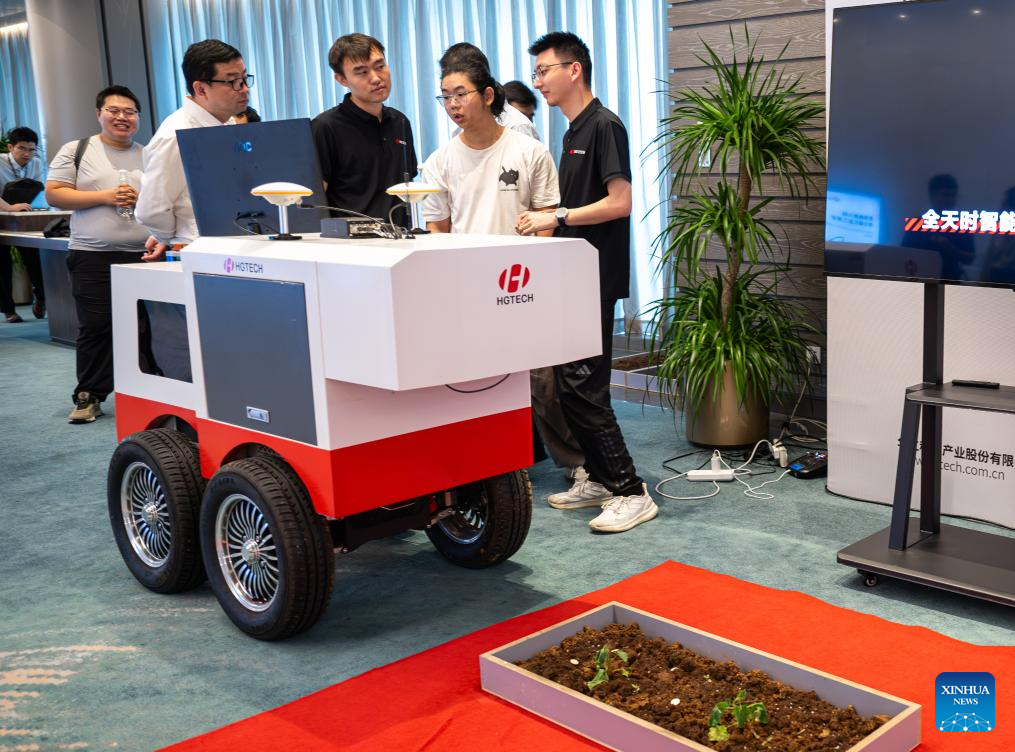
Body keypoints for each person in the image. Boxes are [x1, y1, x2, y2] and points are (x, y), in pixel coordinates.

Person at [517, 31, 658, 533]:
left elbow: (620, 202)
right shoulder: (572, 130)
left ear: (573, 69)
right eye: (535, 73)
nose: (538, 82)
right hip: (573, 273)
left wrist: (557, 216)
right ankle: (598, 478)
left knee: (584, 384)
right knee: (570, 383)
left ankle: (630, 490)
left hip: (595, 274)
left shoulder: (604, 126)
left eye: (544, 70)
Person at [45, 86, 149, 424]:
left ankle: (149, 395)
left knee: (147, 327)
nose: (122, 117)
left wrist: (142, 202)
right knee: (96, 326)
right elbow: (54, 194)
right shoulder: (77, 150)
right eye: (113, 111)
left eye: (129, 112)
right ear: (99, 114)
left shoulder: (149, 154)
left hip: (144, 255)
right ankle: (89, 395)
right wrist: (106, 196)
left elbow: (163, 200)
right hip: (92, 254)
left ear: (138, 117)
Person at [135, 39, 250, 261]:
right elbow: (151, 210)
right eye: (233, 82)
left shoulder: (227, 124)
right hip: (197, 250)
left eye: (244, 78)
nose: (244, 88)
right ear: (201, 89)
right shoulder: (176, 135)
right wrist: (175, 236)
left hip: (235, 245)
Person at [311, 33, 417, 228]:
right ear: (342, 79)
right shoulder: (325, 127)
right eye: (362, 72)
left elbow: (407, 189)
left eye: (380, 66)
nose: (376, 78)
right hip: (350, 242)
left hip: (400, 237)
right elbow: (314, 203)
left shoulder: (400, 122)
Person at [440, 44, 540, 142]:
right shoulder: (458, 133)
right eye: (446, 96)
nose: (453, 104)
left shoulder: (518, 127)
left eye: (461, 94)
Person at [0, 126, 46, 323]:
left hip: (23, 218)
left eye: (31, 149)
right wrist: (9, 207)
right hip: (1, 216)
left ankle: (41, 297)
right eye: (22, 148)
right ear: (10, 147)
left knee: (34, 258)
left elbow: (38, 190)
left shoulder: (36, 163)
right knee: (2, 265)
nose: (27, 154)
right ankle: (9, 310)